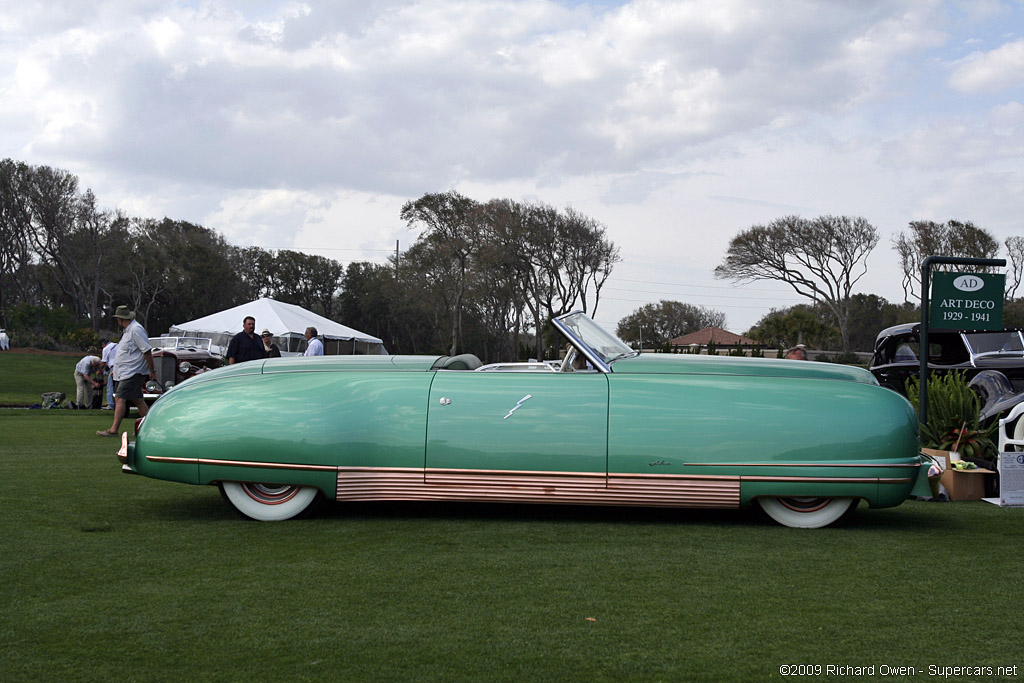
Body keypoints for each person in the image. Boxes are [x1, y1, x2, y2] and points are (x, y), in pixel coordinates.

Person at [97, 306, 156, 437]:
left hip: (133, 371)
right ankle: (149, 428)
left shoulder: (136, 330)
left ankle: (113, 430)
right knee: (138, 400)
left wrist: (152, 370)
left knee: (119, 397)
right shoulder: (128, 331)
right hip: (127, 371)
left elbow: (146, 350)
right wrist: (116, 370)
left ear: (120, 319)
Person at [100, 337, 119, 409]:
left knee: (110, 386)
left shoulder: (106, 349)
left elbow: (103, 362)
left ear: (103, 344)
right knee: (118, 386)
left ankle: (111, 404)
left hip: (113, 368)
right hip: (122, 367)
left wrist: (99, 370)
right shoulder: (117, 345)